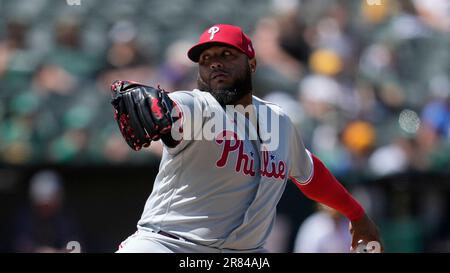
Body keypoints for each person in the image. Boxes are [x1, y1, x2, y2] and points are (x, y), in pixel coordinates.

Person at [113, 24, 382, 253]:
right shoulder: (197, 105)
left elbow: (310, 173)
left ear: (251, 63)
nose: (214, 62)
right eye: (205, 59)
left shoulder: (278, 121)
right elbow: (176, 109)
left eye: (226, 54)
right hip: (168, 244)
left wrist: (357, 215)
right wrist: (163, 110)